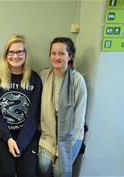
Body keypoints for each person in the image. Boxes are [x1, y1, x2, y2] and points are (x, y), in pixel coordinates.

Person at [0, 34, 42, 177]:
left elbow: (33, 115)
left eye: (20, 52)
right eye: (11, 52)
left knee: (28, 173)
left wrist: (22, 143)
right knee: (7, 172)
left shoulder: (34, 79)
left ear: (25, 54)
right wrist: (8, 139)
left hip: (26, 134)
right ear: (6, 55)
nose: (15, 56)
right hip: (1, 135)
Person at [37, 37, 87, 177]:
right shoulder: (43, 76)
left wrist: (63, 147)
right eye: (53, 53)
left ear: (70, 56)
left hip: (71, 135)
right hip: (49, 134)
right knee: (43, 165)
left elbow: (79, 118)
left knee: (61, 171)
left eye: (61, 53)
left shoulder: (77, 80)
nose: (56, 57)